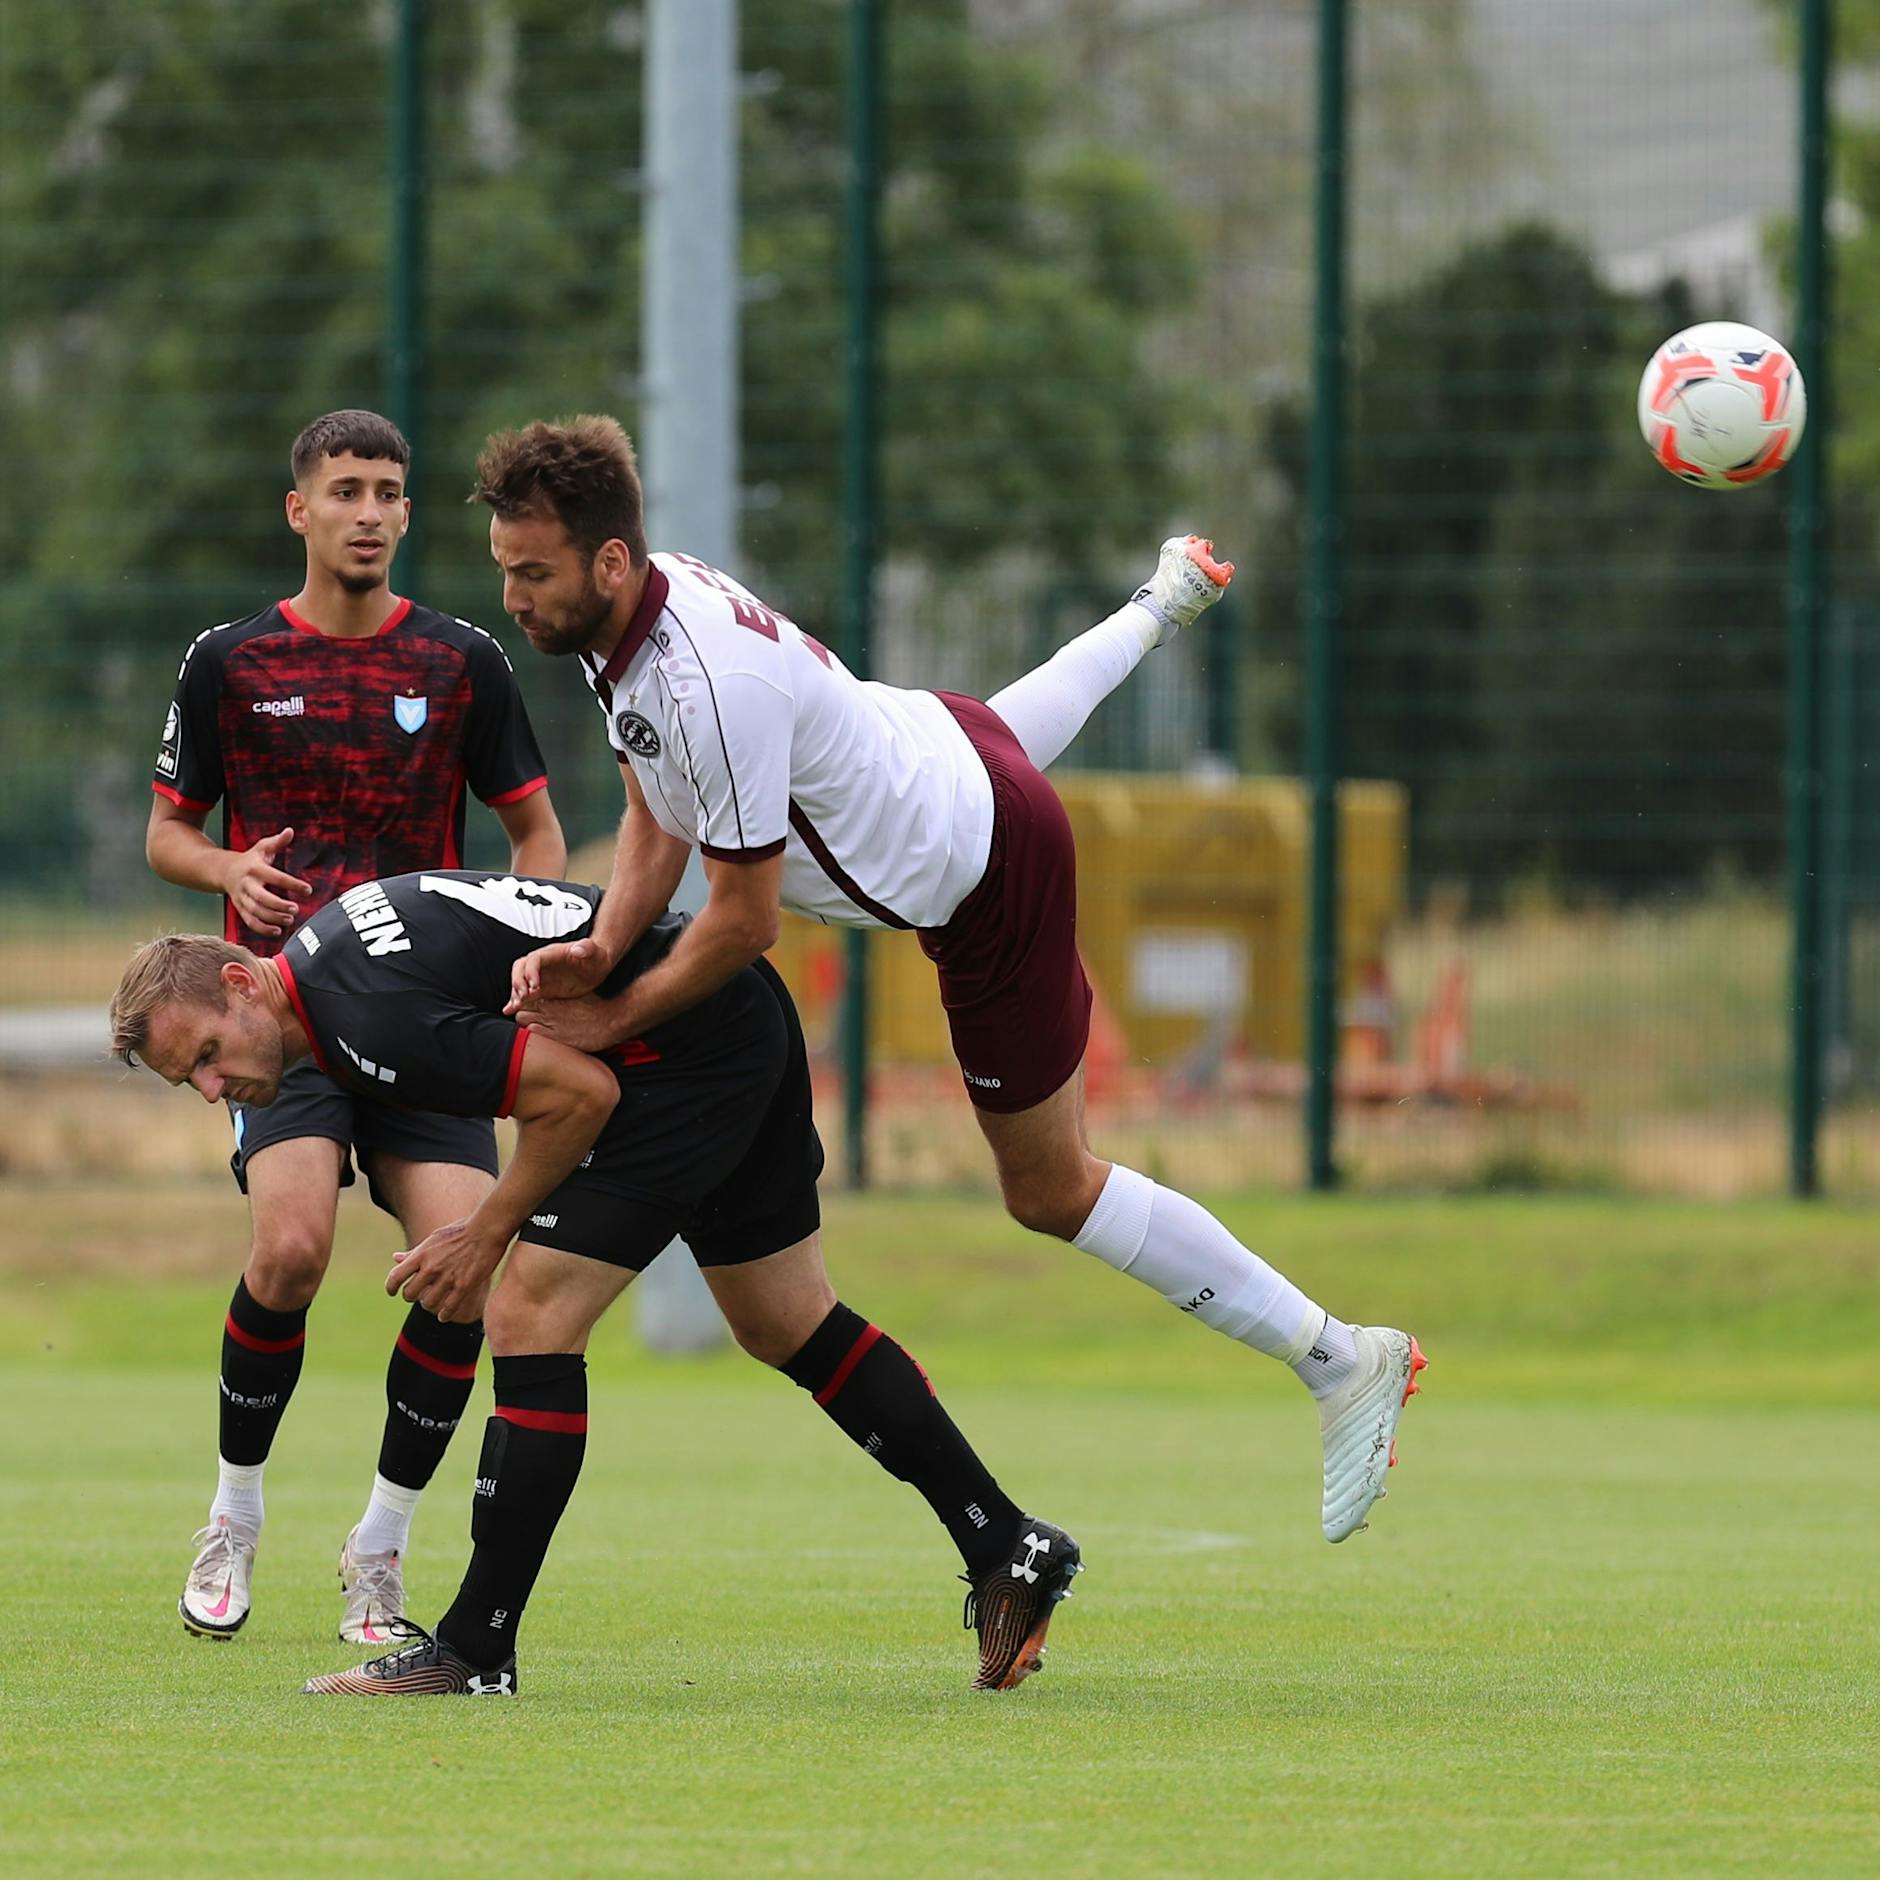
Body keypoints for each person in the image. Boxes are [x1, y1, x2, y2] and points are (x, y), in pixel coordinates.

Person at [473, 416, 1426, 1548]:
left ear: (611, 559)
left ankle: (1336, 1355)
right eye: (505, 571)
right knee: (1004, 736)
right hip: (939, 741)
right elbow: (650, 807)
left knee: (1050, 1188)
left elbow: (742, 924)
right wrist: (598, 943)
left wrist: (610, 1011)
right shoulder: (621, 621)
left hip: (988, 875)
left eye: (532, 573)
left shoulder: (705, 679)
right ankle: (1158, 602)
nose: (514, 597)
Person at [108, 872, 1081, 1696]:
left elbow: (579, 1094)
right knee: (784, 1317)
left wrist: (486, 1233)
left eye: (203, 1052)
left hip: (682, 1054)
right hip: (735, 1015)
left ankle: (474, 1646)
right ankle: (1006, 1545)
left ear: (241, 982)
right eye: (182, 1080)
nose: (208, 1086)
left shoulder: (359, 1009)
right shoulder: (333, 963)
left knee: (527, 1305)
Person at [146, 410, 566, 1646]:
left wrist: (527, 953)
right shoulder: (227, 660)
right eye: (346, 489)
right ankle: (232, 1516)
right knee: (289, 1249)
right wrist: (225, 867)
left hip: (424, 1018)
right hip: (279, 1017)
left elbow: (534, 835)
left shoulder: (461, 660)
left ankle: (379, 1547)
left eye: (389, 489)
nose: (371, 510)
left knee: (459, 1270)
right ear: (301, 510)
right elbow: (165, 834)